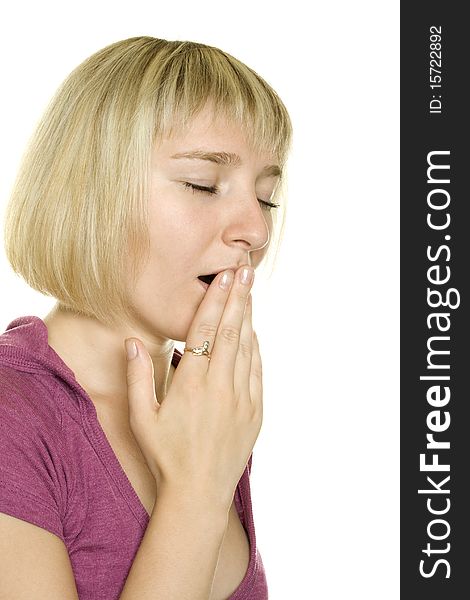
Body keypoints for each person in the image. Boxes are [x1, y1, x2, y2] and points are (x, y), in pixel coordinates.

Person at [0, 36, 292, 599]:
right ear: (91, 190)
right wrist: (197, 493)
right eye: (203, 185)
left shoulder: (201, 408)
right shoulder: (15, 417)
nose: (255, 231)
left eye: (267, 197)